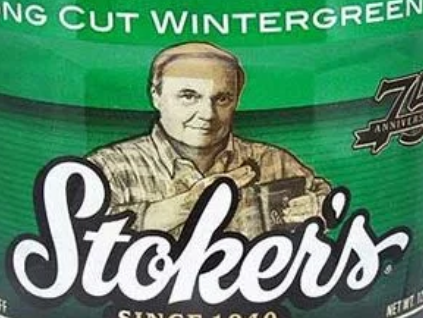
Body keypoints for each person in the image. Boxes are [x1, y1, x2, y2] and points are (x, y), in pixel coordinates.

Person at [88, 42, 330, 239]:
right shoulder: (108, 169)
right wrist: (186, 205)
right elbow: (81, 230)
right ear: (156, 96)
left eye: (222, 99)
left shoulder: (276, 163)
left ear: (236, 100)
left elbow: (326, 199)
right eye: (188, 96)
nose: (207, 114)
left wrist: (317, 208)